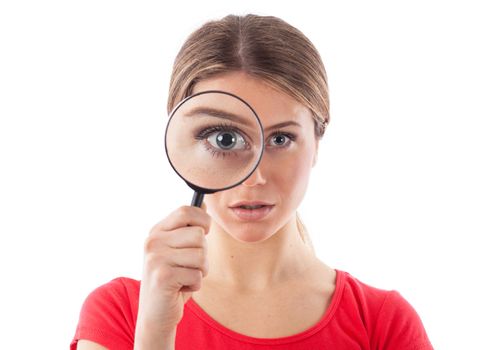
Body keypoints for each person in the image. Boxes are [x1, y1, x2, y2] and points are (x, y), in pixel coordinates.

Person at [70, 14, 433, 350]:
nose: (255, 177)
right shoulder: (120, 313)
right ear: (182, 138)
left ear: (317, 142)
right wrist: (154, 332)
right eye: (224, 139)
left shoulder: (383, 322)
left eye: (280, 140)